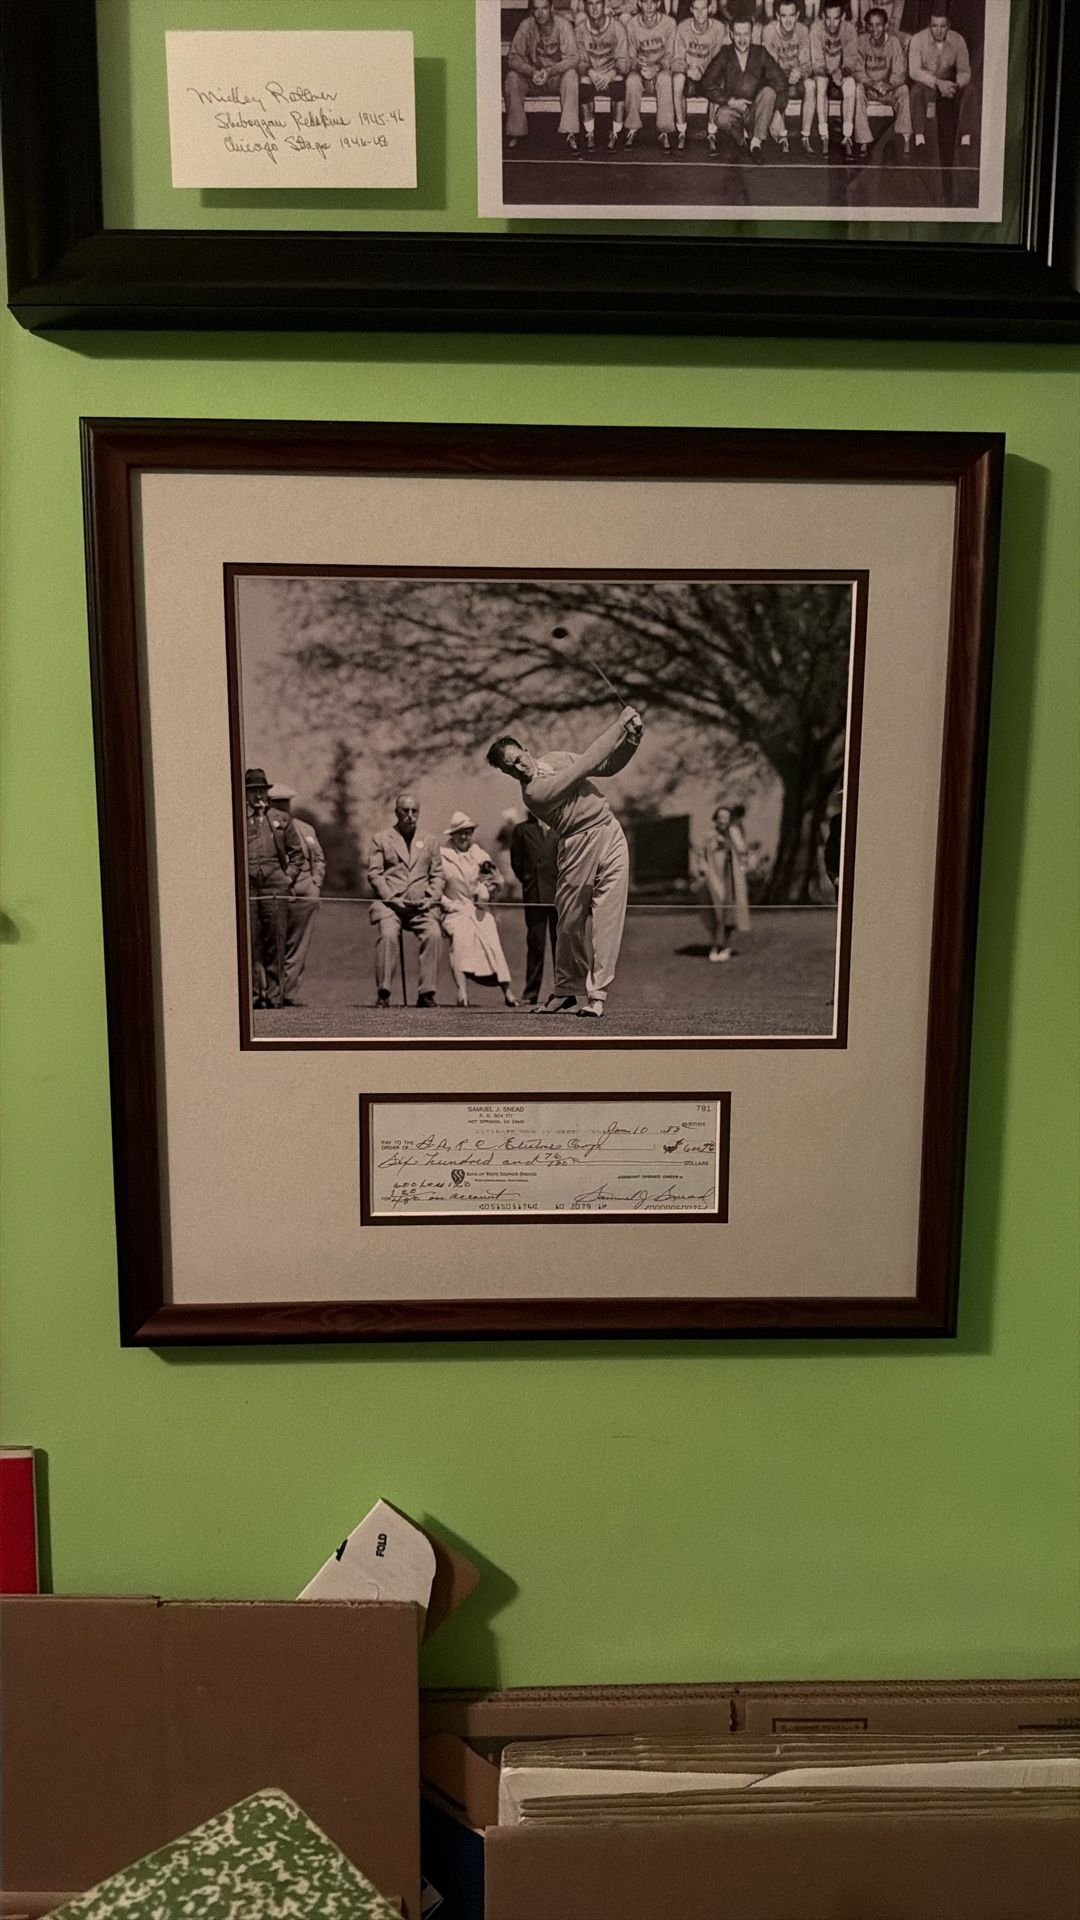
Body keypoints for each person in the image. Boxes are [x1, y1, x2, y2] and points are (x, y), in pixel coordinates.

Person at [486, 704, 644, 1019]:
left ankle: (596, 995)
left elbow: (607, 766)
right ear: (506, 773)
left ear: (526, 751)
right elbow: (586, 764)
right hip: (577, 844)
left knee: (607, 919)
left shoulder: (556, 758)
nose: (519, 768)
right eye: (510, 768)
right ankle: (564, 991)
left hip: (609, 831)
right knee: (569, 924)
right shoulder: (534, 794)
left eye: (518, 759)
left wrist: (632, 740)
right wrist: (621, 722)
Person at [367, 792, 444, 1009]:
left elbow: (438, 875)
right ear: (396, 812)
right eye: (405, 811)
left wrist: (431, 899)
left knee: (434, 934)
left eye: (414, 811)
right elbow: (374, 874)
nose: (410, 816)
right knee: (388, 935)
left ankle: (426, 993)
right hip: (391, 905)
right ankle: (384, 992)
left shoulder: (430, 841)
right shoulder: (381, 839)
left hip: (422, 906)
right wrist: (392, 899)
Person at [439, 812, 517, 1010]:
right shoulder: (442, 855)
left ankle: (507, 992)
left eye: (468, 833)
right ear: (452, 835)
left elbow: (495, 880)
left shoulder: (480, 854)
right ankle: (462, 993)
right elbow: (435, 888)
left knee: (492, 940)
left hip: (478, 909)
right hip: (454, 909)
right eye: (460, 833)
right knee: (459, 940)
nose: (464, 837)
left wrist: (487, 890)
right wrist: (448, 904)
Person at [245, 767, 305, 1010]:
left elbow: (297, 855)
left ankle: (274, 995)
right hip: (247, 886)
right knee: (250, 941)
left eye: (261, 790)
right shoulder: (234, 819)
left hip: (275, 884)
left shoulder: (281, 818)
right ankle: (254, 996)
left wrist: (287, 878)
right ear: (245, 795)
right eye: (253, 791)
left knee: (276, 939)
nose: (258, 795)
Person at [267, 784, 326, 1007]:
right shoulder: (264, 829)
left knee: (298, 946)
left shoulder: (306, 829)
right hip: (277, 894)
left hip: (305, 894)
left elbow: (319, 858)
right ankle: (272, 992)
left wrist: (315, 884)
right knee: (274, 944)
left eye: (286, 804)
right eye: (278, 804)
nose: (282, 809)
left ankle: (289, 993)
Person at [701, 15, 788, 158]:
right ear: (731, 35)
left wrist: (779, 111)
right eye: (738, 34)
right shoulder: (725, 53)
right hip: (734, 110)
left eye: (746, 34)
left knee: (769, 93)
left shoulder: (760, 53)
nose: (742, 39)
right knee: (721, 116)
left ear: (752, 34)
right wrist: (729, 101)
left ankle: (755, 144)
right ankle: (741, 140)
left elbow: (782, 82)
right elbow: (707, 83)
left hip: (756, 113)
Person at [504, 0, 582, 155]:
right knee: (512, 77)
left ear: (551, 8)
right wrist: (531, 71)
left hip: (555, 77)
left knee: (571, 76)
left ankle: (570, 132)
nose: (540, 13)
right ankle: (516, 133)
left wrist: (551, 70)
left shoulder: (563, 25)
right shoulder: (526, 26)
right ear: (532, 10)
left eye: (544, 8)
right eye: (536, 9)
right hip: (532, 78)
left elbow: (573, 58)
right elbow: (513, 58)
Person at [908, 6, 976, 159]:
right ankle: (919, 138)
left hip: (950, 84)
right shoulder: (917, 39)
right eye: (934, 26)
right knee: (915, 92)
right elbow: (914, 71)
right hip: (928, 84)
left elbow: (965, 71)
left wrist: (956, 84)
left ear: (949, 26)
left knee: (970, 90)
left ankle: (966, 138)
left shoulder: (958, 40)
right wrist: (937, 83)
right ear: (929, 25)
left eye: (943, 26)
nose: (938, 30)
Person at [509, 810, 560, 1004]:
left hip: (559, 894)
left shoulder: (561, 826)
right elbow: (517, 862)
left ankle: (563, 992)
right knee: (536, 944)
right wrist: (530, 881)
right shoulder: (522, 830)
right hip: (534, 894)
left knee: (560, 945)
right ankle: (531, 993)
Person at [694, 803, 751, 962]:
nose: (722, 821)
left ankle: (726, 945)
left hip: (730, 878)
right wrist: (703, 870)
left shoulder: (734, 833)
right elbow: (701, 856)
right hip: (713, 877)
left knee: (729, 913)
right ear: (715, 819)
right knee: (714, 911)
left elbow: (742, 852)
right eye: (720, 818)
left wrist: (734, 836)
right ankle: (714, 944)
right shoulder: (708, 836)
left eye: (726, 818)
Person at [855, 6, 911, 156]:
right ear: (866, 26)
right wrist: (872, 83)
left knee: (904, 90)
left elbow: (900, 72)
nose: (875, 29)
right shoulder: (861, 42)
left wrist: (889, 85)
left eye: (879, 24)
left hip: (888, 89)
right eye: (871, 25)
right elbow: (858, 70)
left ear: (886, 25)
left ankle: (904, 137)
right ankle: (864, 140)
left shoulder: (894, 43)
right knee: (857, 90)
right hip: (870, 88)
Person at [673, 0, 728, 151]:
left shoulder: (719, 28)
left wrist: (702, 71)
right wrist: (688, 69)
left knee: (719, 79)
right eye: (696, 9)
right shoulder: (683, 27)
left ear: (710, 8)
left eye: (703, 9)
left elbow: (720, 61)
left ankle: (711, 131)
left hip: (708, 77)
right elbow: (676, 60)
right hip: (689, 77)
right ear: (691, 9)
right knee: (677, 79)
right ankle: (681, 130)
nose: (699, 14)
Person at [575, 0, 630, 151]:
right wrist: (590, 71)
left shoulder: (617, 27)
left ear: (604, 5)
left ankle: (616, 132)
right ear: (585, 6)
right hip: (593, 73)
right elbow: (579, 60)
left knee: (619, 83)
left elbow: (623, 60)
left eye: (597, 3)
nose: (594, 7)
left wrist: (611, 74)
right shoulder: (580, 29)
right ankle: (589, 132)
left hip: (611, 73)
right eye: (590, 3)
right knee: (583, 81)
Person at [623, 0, 677, 150]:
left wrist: (657, 66)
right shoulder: (631, 24)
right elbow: (630, 57)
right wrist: (639, 65)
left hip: (660, 70)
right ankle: (632, 128)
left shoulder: (669, 23)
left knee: (665, 78)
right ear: (639, 3)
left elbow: (671, 55)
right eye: (645, 2)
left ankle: (664, 130)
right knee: (632, 80)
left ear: (659, 3)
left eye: (652, 2)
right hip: (642, 70)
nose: (649, 7)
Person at [762, 0, 815, 153]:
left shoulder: (803, 31)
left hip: (796, 77)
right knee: (777, 84)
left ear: (797, 15)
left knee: (811, 84)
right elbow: (769, 67)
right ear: (777, 15)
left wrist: (799, 71)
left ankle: (805, 136)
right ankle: (782, 135)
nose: (788, 20)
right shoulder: (768, 31)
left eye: (792, 15)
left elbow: (807, 64)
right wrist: (785, 76)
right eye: (784, 15)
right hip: (779, 77)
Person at [810, 0, 859, 154]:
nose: (831, 23)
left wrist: (842, 72)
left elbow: (851, 60)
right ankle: (824, 134)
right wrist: (830, 72)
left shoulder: (849, 29)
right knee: (821, 84)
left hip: (840, 72)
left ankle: (847, 135)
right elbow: (817, 62)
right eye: (828, 18)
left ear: (843, 16)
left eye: (836, 18)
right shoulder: (816, 28)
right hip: (824, 73)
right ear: (823, 16)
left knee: (850, 84)